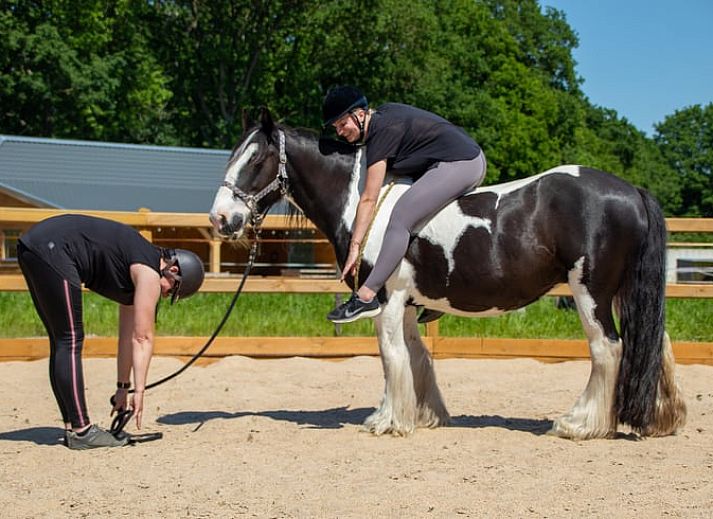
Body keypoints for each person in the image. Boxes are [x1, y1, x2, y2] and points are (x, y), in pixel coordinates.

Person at [17, 214, 205, 450]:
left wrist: (123, 388)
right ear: (172, 270)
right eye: (170, 291)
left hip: (34, 245)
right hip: (53, 248)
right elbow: (143, 338)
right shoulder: (148, 272)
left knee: (62, 340)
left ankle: (71, 425)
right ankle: (82, 431)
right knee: (70, 339)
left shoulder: (136, 267)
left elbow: (128, 336)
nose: (164, 296)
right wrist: (140, 391)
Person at [323, 86, 487, 324]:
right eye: (335, 128)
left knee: (400, 218)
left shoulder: (380, 133)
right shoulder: (383, 117)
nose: (339, 132)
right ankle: (436, 294)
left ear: (359, 114)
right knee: (421, 223)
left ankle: (367, 296)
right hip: (458, 160)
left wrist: (354, 246)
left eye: (341, 124)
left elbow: (369, 198)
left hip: (462, 163)